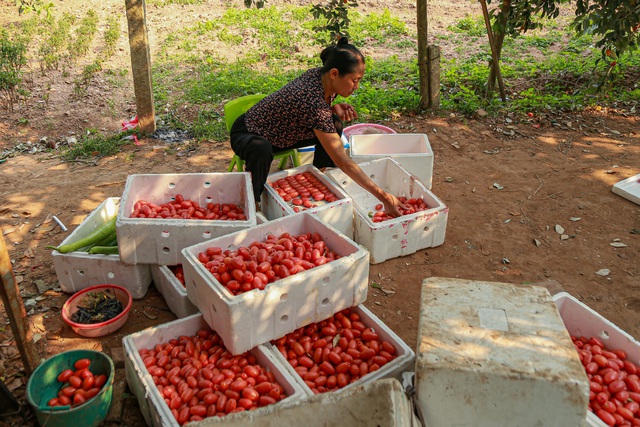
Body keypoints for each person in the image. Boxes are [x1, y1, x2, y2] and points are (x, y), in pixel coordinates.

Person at [229, 37, 406, 216]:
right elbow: (343, 161)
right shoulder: (311, 99)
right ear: (335, 73)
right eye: (354, 80)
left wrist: (332, 108)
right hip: (249, 132)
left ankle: (320, 176)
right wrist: (384, 197)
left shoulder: (321, 78)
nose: (357, 86)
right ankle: (253, 202)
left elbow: (310, 111)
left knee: (334, 123)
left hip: (284, 132)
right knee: (261, 149)